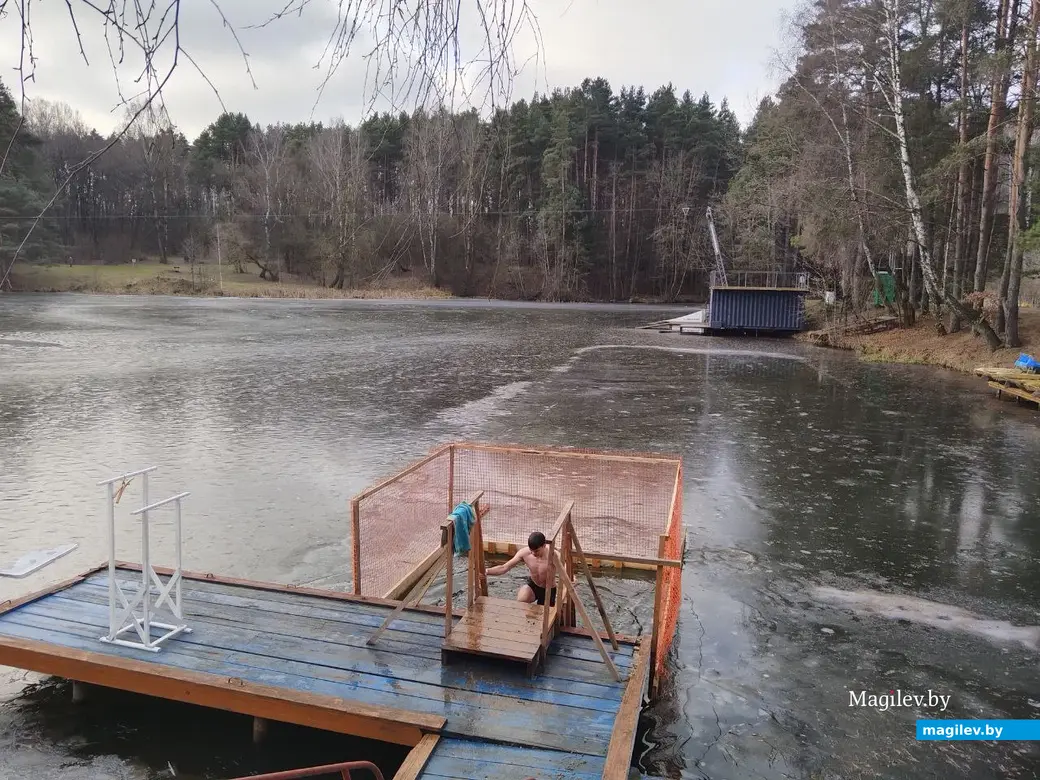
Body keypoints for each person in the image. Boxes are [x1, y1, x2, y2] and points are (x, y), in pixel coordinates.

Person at [485, 531, 557, 606]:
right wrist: (487, 571)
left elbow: (564, 574)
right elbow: (504, 567)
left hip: (549, 589)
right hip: (534, 585)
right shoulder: (524, 553)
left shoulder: (553, 555)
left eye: (536, 551)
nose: (533, 553)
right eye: (531, 550)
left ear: (544, 546)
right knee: (521, 600)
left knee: (544, 614)